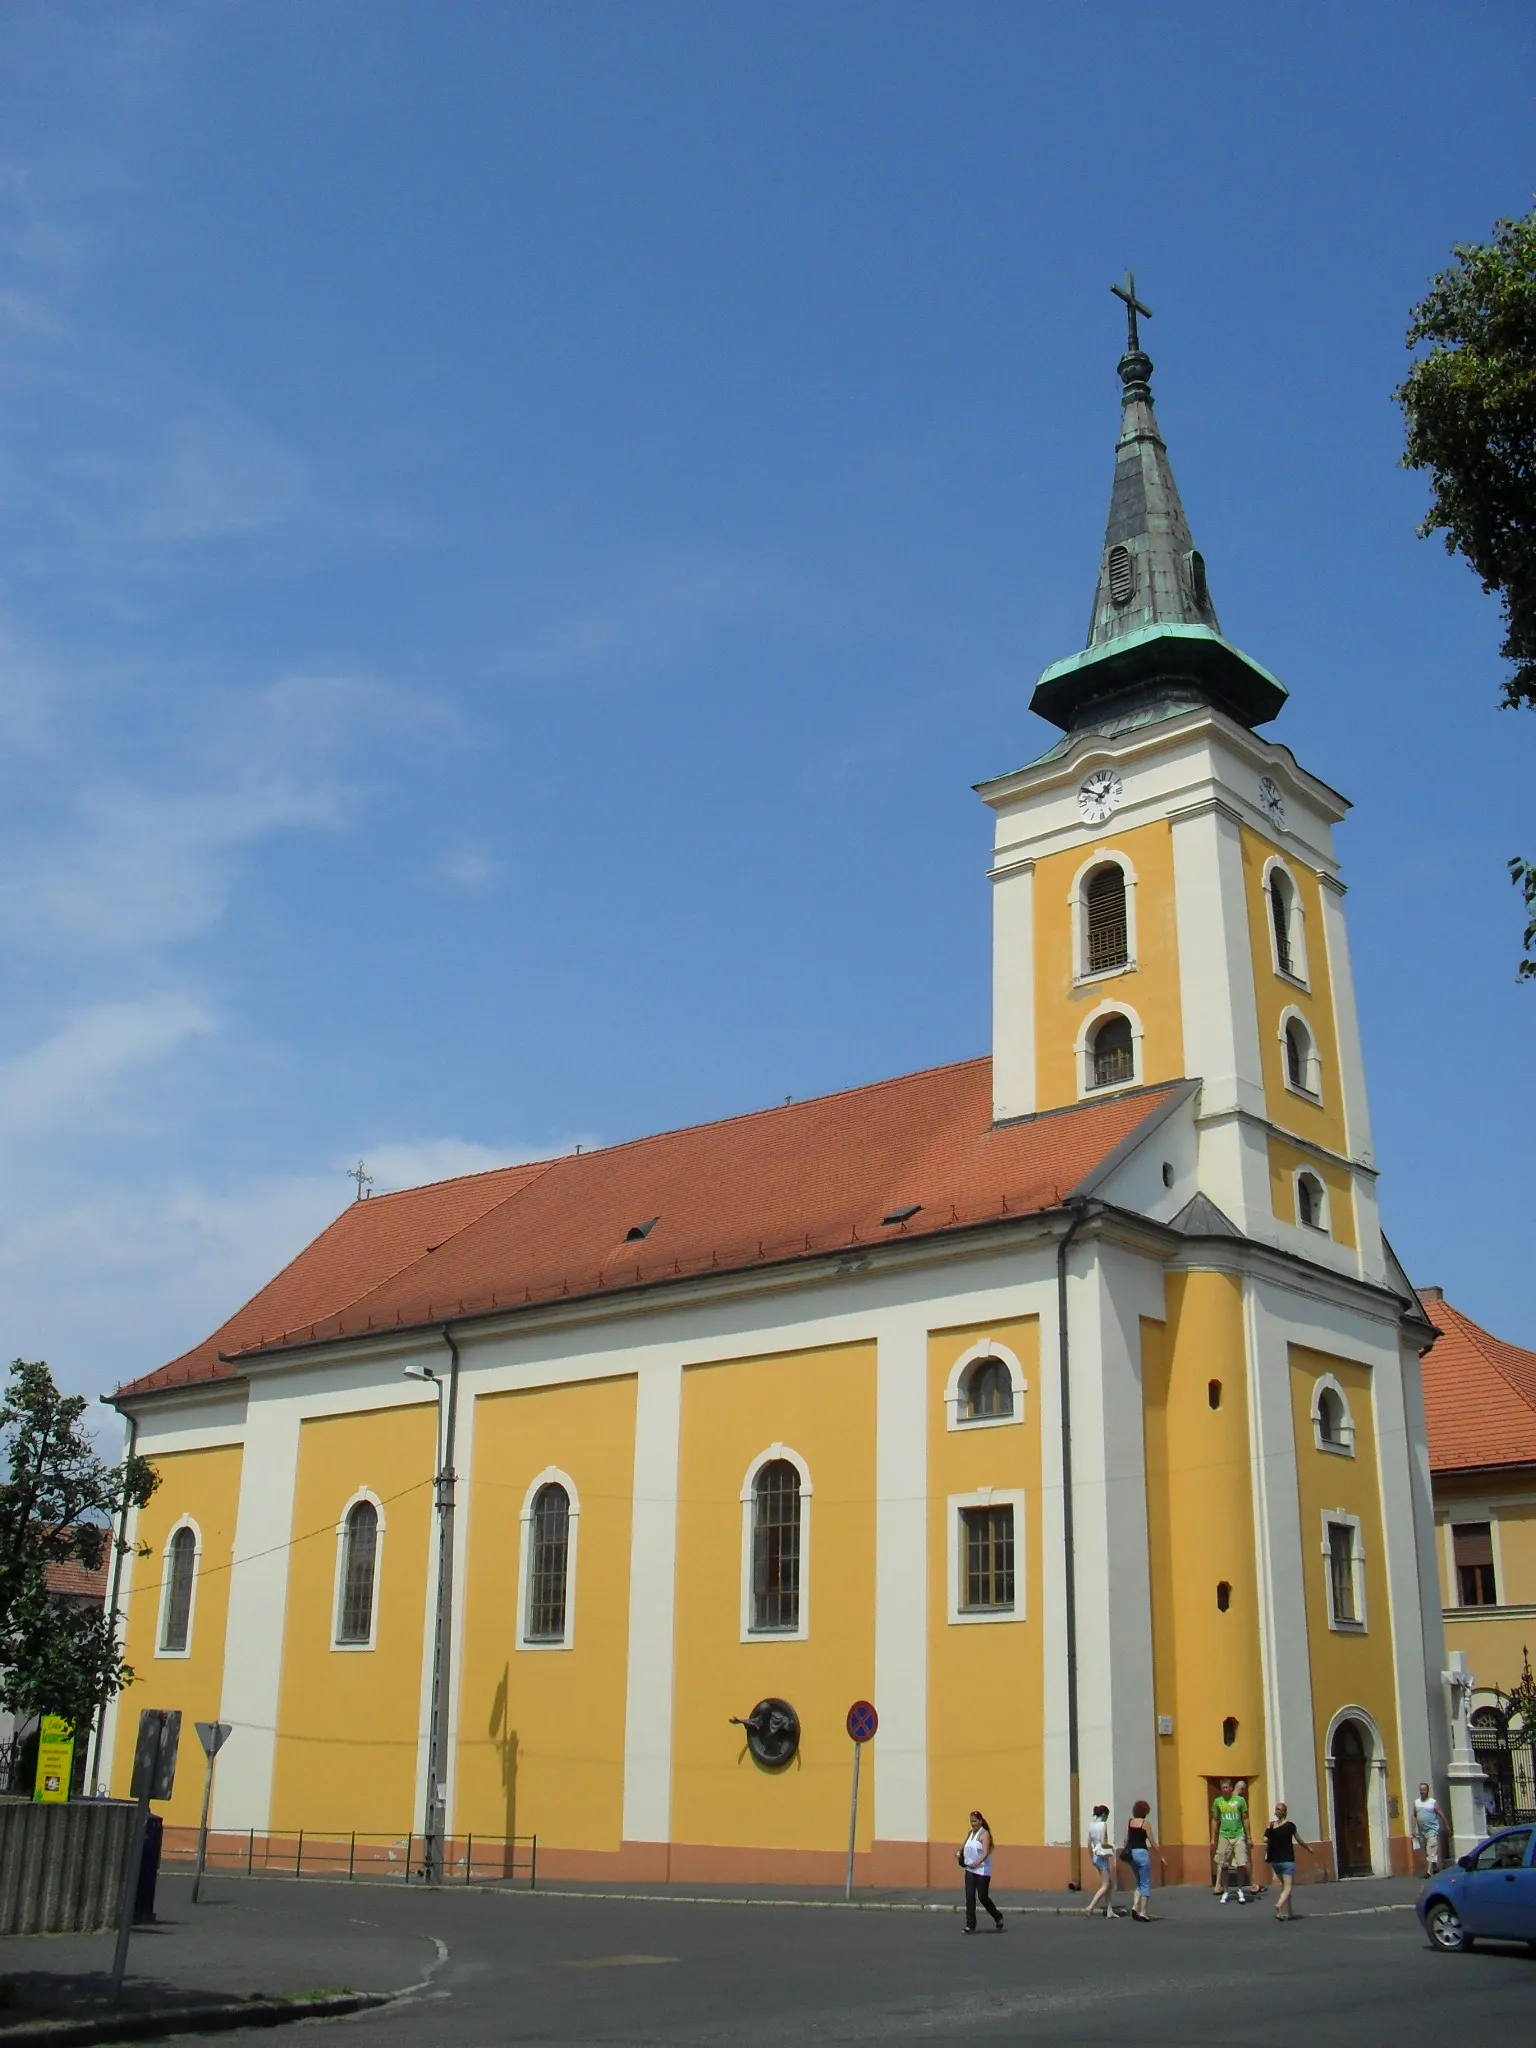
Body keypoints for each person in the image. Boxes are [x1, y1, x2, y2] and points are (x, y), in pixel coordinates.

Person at [1263, 1801, 1314, 1920]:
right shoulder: (1290, 1826)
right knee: (1288, 1887)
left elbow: (1265, 1839)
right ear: (1285, 1813)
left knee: (1285, 1886)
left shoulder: (1270, 1825)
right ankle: (1279, 1905)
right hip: (1287, 1860)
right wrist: (1308, 1848)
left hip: (1275, 1861)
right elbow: (1299, 1840)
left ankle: (1289, 1912)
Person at [959, 1810, 1005, 1933]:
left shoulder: (984, 1834)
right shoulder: (970, 1833)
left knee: (982, 1897)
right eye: (971, 1821)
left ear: (980, 1821)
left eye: (975, 1821)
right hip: (970, 1869)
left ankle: (997, 1916)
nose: (973, 1824)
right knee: (969, 1897)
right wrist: (960, 1854)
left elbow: (985, 1853)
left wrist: (977, 1862)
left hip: (982, 1870)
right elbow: (964, 1847)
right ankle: (970, 1925)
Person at [1123, 1799, 1164, 1921]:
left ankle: (1135, 1906)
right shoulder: (1145, 1824)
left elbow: (1125, 1840)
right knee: (1145, 1883)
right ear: (1145, 1812)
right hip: (1142, 1853)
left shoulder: (1129, 1822)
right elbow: (1152, 1843)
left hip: (1131, 1854)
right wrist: (1161, 1857)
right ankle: (1143, 1912)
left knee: (1139, 1881)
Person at [1210, 1778, 1251, 1902]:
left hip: (1238, 1835)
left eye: (1227, 1787)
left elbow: (1245, 1818)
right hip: (1224, 1835)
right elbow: (1215, 1820)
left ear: (1231, 1788)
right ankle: (1226, 1890)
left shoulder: (1240, 1800)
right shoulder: (1218, 1801)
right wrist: (1212, 1838)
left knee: (1241, 1863)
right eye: (1223, 1788)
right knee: (1223, 1864)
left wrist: (1248, 1837)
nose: (1225, 1790)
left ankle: (1239, 1889)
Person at [1083, 1803, 1117, 1918]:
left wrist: (1091, 1857)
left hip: (1095, 1856)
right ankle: (1090, 1907)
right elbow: (1103, 1842)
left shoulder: (1091, 1825)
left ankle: (1109, 1910)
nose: (1107, 1817)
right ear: (1103, 1814)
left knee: (1108, 1883)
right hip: (1102, 1857)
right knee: (1106, 1885)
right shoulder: (1103, 1825)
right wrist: (1111, 1847)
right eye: (1107, 1815)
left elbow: (1088, 1843)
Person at [1411, 1782, 1450, 1874]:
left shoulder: (1432, 1802)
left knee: (1431, 1849)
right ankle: (1436, 1867)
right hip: (1422, 1831)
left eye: (1424, 1790)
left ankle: (1428, 1872)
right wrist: (1413, 1829)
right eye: (1421, 1790)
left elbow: (1441, 1814)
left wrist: (1447, 1826)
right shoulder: (1416, 1802)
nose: (1422, 1792)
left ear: (1428, 1791)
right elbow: (1414, 1816)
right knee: (1427, 1850)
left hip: (1432, 1830)